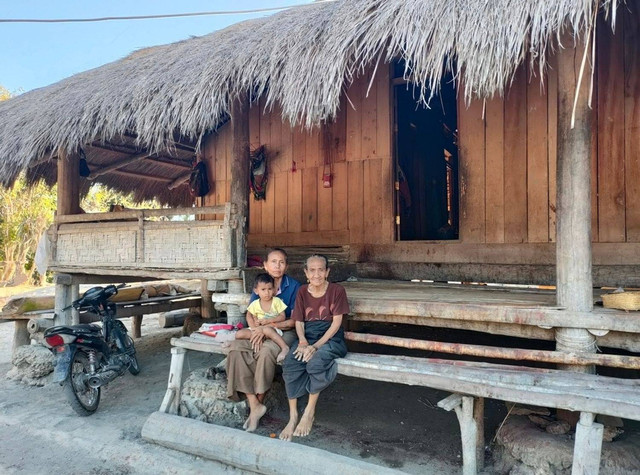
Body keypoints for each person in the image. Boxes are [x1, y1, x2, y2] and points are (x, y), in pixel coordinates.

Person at [225, 248, 300, 432]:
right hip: (259, 330)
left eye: (281, 262)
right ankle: (254, 404)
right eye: (273, 262)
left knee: (266, 351)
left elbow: (295, 320)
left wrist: (270, 326)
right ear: (265, 265)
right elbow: (251, 312)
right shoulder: (259, 284)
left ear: (286, 266)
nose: (277, 266)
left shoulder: (295, 287)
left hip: (284, 331)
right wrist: (258, 329)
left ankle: (256, 406)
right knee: (236, 349)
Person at [279, 254, 349, 441]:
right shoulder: (302, 291)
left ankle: (309, 411)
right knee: (291, 362)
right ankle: (293, 415)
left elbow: (336, 324)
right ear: (306, 273)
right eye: (312, 270)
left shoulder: (337, 291)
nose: (316, 274)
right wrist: (302, 342)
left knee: (315, 362)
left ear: (327, 272)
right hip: (307, 335)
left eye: (321, 270)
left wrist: (316, 347)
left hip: (331, 338)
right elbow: (299, 321)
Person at [235, 273, 289, 363]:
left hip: (272, 328)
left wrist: (269, 320)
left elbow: (282, 317)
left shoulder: (276, 301)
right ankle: (259, 338)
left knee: (267, 330)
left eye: (269, 289)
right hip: (258, 329)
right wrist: (254, 328)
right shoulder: (255, 304)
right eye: (263, 289)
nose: (267, 293)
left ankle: (284, 347)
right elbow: (250, 316)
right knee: (239, 334)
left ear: (274, 290)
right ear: (256, 291)